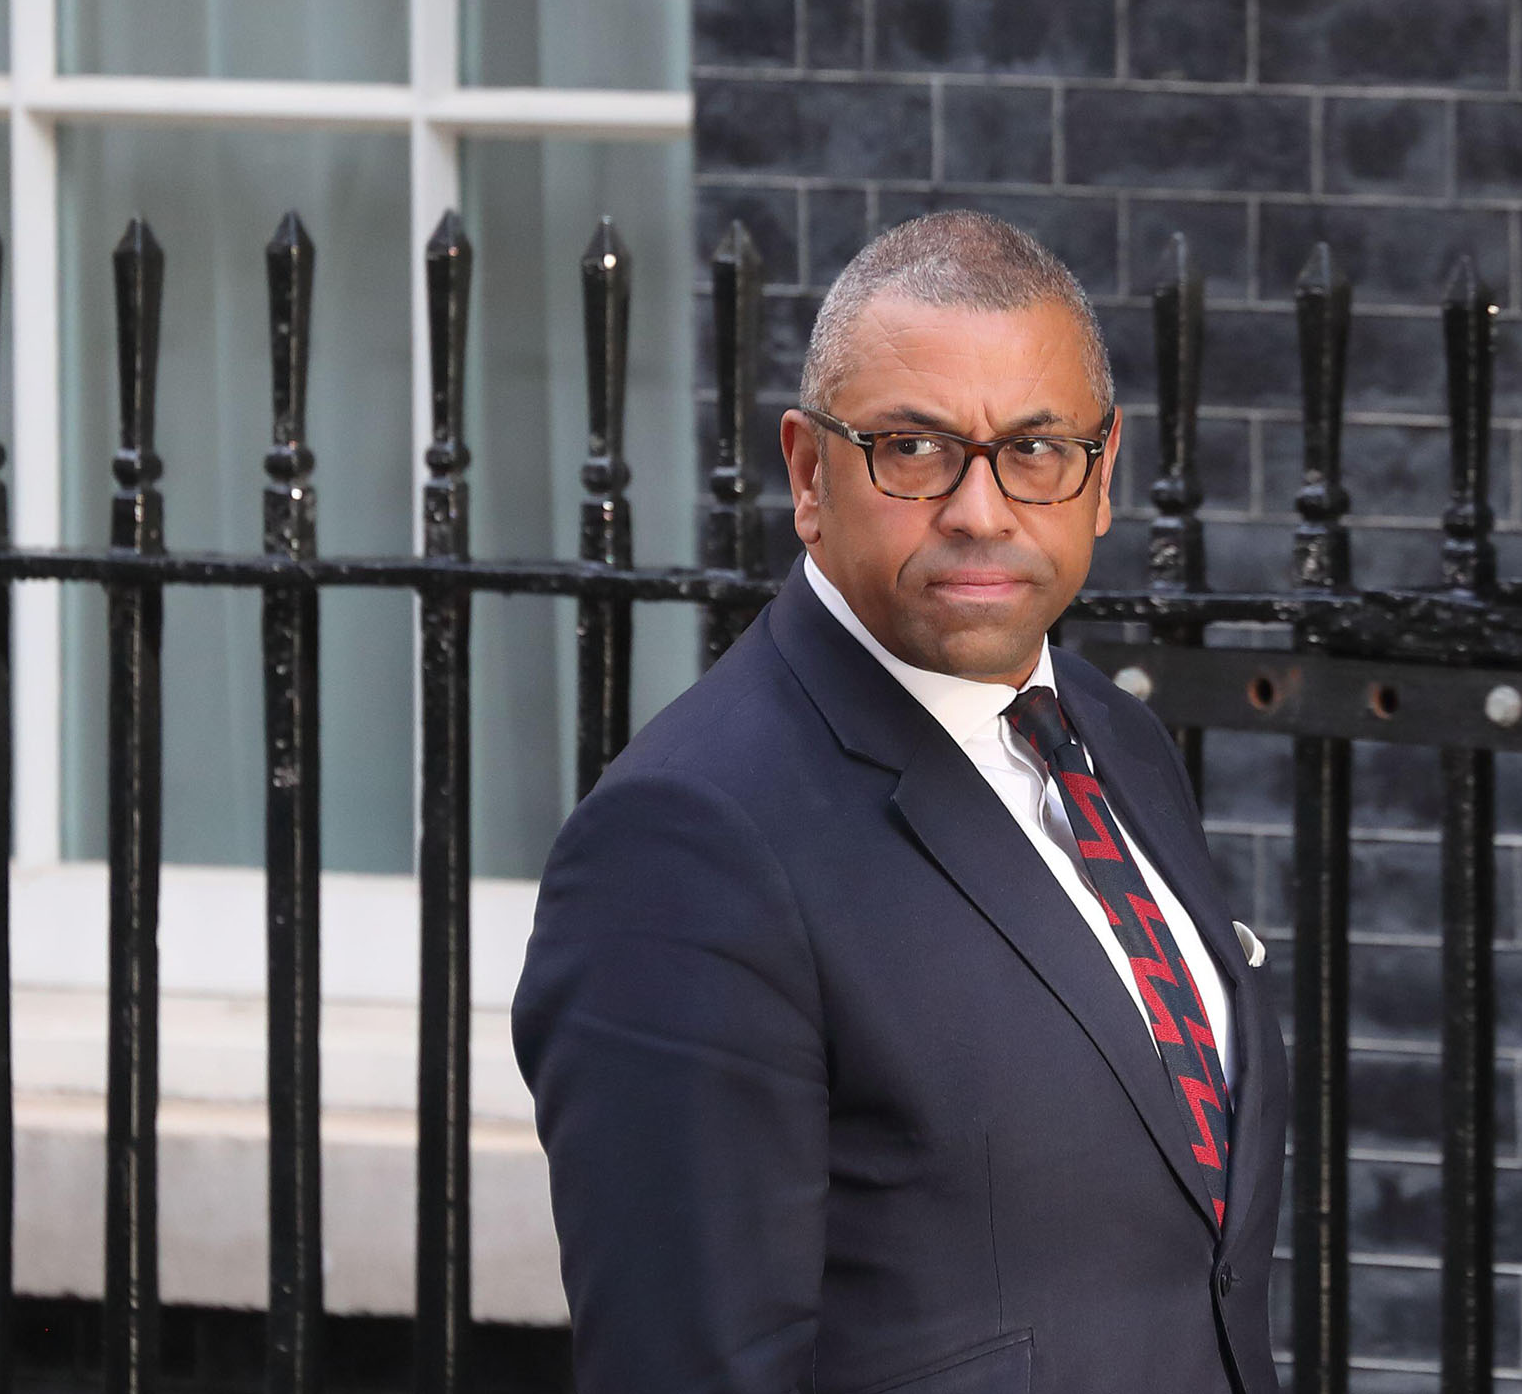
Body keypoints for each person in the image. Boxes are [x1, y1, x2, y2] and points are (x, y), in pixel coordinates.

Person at [514, 211, 1287, 1394]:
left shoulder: (1113, 739)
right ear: (808, 473)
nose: (981, 510)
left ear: (1101, 474)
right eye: (913, 450)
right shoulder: (686, 843)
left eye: (1035, 448)